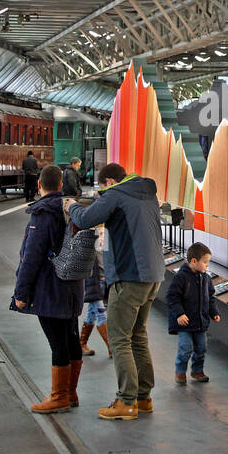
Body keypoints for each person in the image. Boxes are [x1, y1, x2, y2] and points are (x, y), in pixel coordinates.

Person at [68, 162, 163, 421]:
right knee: (138, 336)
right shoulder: (147, 193)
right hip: (153, 276)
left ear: (109, 181)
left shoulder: (117, 195)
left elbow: (85, 219)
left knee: (120, 338)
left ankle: (126, 401)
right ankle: (143, 398)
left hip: (129, 276)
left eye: (102, 187)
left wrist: (71, 206)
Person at [12, 164, 86, 414]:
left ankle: (59, 397)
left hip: (51, 288)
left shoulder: (42, 213)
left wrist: (21, 294)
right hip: (73, 285)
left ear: (39, 185)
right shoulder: (71, 210)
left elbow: (31, 257)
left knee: (58, 343)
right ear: (62, 186)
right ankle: (70, 392)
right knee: (70, 338)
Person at [166, 242, 220, 385]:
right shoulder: (181, 278)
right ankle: (180, 372)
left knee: (201, 347)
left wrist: (213, 312)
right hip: (185, 323)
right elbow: (172, 297)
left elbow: (211, 297)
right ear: (194, 261)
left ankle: (197, 370)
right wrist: (179, 314)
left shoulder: (206, 279)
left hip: (200, 322)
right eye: (205, 262)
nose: (207, 265)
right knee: (185, 348)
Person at [79, 227, 110, 357]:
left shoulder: (105, 233)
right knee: (101, 314)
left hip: (103, 279)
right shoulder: (90, 235)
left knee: (93, 312)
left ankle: (82, 343)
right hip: (94, 281)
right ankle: (112, 347)